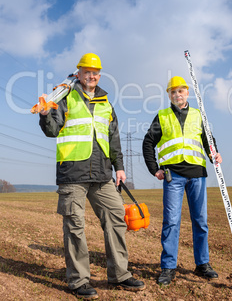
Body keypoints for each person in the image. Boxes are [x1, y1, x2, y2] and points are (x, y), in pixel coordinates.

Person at [39, 53, 145, 299]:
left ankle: (120, 274)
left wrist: (119, 167)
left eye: (95, 72)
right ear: (79, 73)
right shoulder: (65, 96)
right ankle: (78, 281)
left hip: (102, 174)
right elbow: (53, 131)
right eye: (87, 71)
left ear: (100, 74)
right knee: (75, 226)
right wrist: (45, 115)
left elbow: (113, 137)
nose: (92, 75)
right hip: (73, 173)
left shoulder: (106, 102)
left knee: (116, 218)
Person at [142, 76, 222, 286]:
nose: (177, 95)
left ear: (188, 93)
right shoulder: (162, 116)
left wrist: (215, 154)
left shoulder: (199, 115)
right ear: (169, 95)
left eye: (181, 91)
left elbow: (208, 140)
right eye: (173, 92)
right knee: (171, 222)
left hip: (197, 174)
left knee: (200, 221)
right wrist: (154, 170)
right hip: (173, 176)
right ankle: (168, 267)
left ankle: (202, 264)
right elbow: (148, 143)